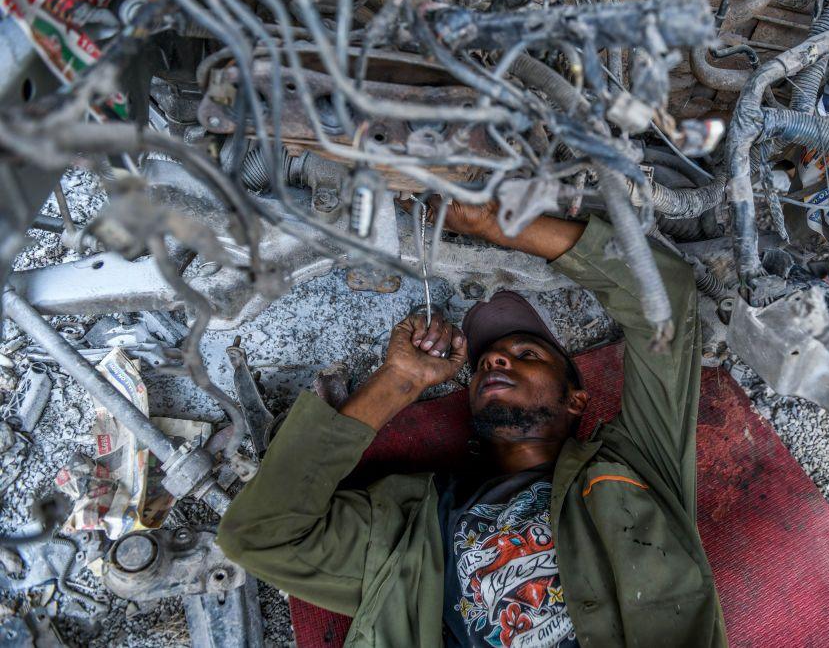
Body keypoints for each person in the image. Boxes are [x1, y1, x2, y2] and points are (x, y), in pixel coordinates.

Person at [216, 202, 726, 647]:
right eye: (485, 364)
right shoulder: (417, 529)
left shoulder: (637, 463)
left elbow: (664, 297)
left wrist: (495, 223)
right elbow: (260, 538)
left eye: (525, 354)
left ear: (577, 399)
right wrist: (399, 381)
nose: (495, 363)